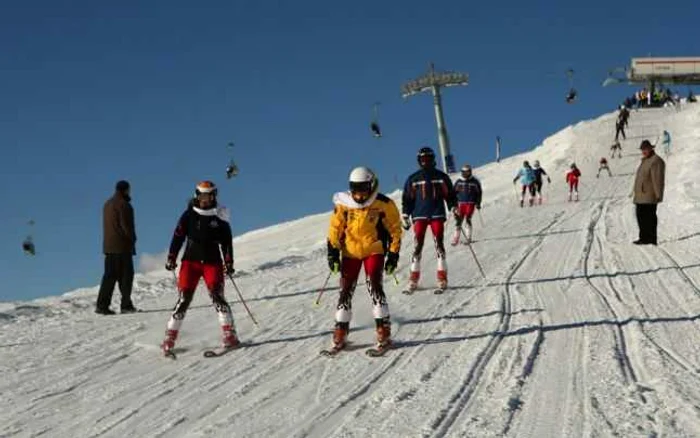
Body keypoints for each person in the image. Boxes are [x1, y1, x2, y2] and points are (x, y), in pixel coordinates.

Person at [327, 167, 402, 352]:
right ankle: (341, 329)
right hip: (350, 253)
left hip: (373, 250)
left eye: (363, 189)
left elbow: (395, 229)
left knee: (374, 285)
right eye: (355, 189)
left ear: (371, 185)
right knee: (345, 289)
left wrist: (393, 254)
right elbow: (335, 229)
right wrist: (332, 252)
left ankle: (383, 328)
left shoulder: (383, 203)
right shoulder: (344, 203)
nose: (359, 195)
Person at [161, 181, 238, 355]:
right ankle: (169, 338)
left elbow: (226, 241)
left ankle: (229, 334)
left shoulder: (220, 215)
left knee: (217, 296)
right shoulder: (189, 215)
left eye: (210, 195)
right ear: (197, 195)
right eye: (203, 196)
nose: (206, 199)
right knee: (184, 299)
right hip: (190, 262)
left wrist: (229, 261)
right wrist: (172, 257)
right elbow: (178, 237)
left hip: (212, 262)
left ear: (214, 196)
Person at [401, 147, 457, 291]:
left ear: (433, 159)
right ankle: (413, 279)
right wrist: (405, 214)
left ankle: (442, 278)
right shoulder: (414, 178)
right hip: (419, 215)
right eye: (423, 159)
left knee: (439, 243)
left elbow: (449, 194)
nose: (426, 162)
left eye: (428, 159)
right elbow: (408, 198)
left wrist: (453, 206)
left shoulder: (441, 176)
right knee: (417, 245)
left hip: (437, 214)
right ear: (419, 161)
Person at [96, 180, 137, 315]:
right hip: (122, 246)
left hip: (109, 246)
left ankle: (102, 305)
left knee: (109, 276)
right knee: (126, 276)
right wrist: (132, 239)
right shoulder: (124, 205)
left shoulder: (107, 204)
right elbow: (127, 226)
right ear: (126, 190)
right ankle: (126, 305)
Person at [633, 140, 665, 245]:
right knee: (640, 217)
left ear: (651, 148)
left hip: (650, 195)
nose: (644, 151)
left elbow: (658, 179)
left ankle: (651, 239)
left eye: (645, 149)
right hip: (641, 195)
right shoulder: (645, 160)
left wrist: (658, 195)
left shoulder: (656, 161)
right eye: (642, 149)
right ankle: (644, 238)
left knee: (650, 218)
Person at [451, 164, 482, 245]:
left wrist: (478, 202)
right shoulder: (459, 181)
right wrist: (453, 204)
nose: (467, 174)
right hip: (461, 203)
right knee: (459, 220)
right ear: (462, 172)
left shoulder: (474, 181)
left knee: (468, 218)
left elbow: (479, 193)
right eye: (466, 172)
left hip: (471, 203)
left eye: (469, 172)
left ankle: (468, 237)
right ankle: (456, 238)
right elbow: (453, 193)